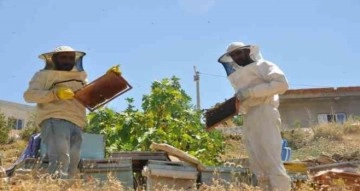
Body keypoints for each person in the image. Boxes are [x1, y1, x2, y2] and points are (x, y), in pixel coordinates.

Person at [218, 42, 291, 191]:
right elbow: (245, 99)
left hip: (265, 111)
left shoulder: (263, 65)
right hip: (250, 116)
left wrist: (252, 92)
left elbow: (282, 84)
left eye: (239, 53)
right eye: (233, 55)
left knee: (271, 160)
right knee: (258, 164)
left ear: (247, 52)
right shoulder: (238, 76)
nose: (236, 57)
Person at [24, 46, 88, 178]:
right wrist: (55, 94)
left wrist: (109, 78)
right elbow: (29, 95)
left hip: (77, 122)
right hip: (55, 119)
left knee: (73, 165)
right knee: (60, 160)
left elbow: (92, 95)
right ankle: (54, 186)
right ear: (54, 59)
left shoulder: (81, 77)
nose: (67, 60)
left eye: (70, 58)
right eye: (63, 57)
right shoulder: (43, 75)